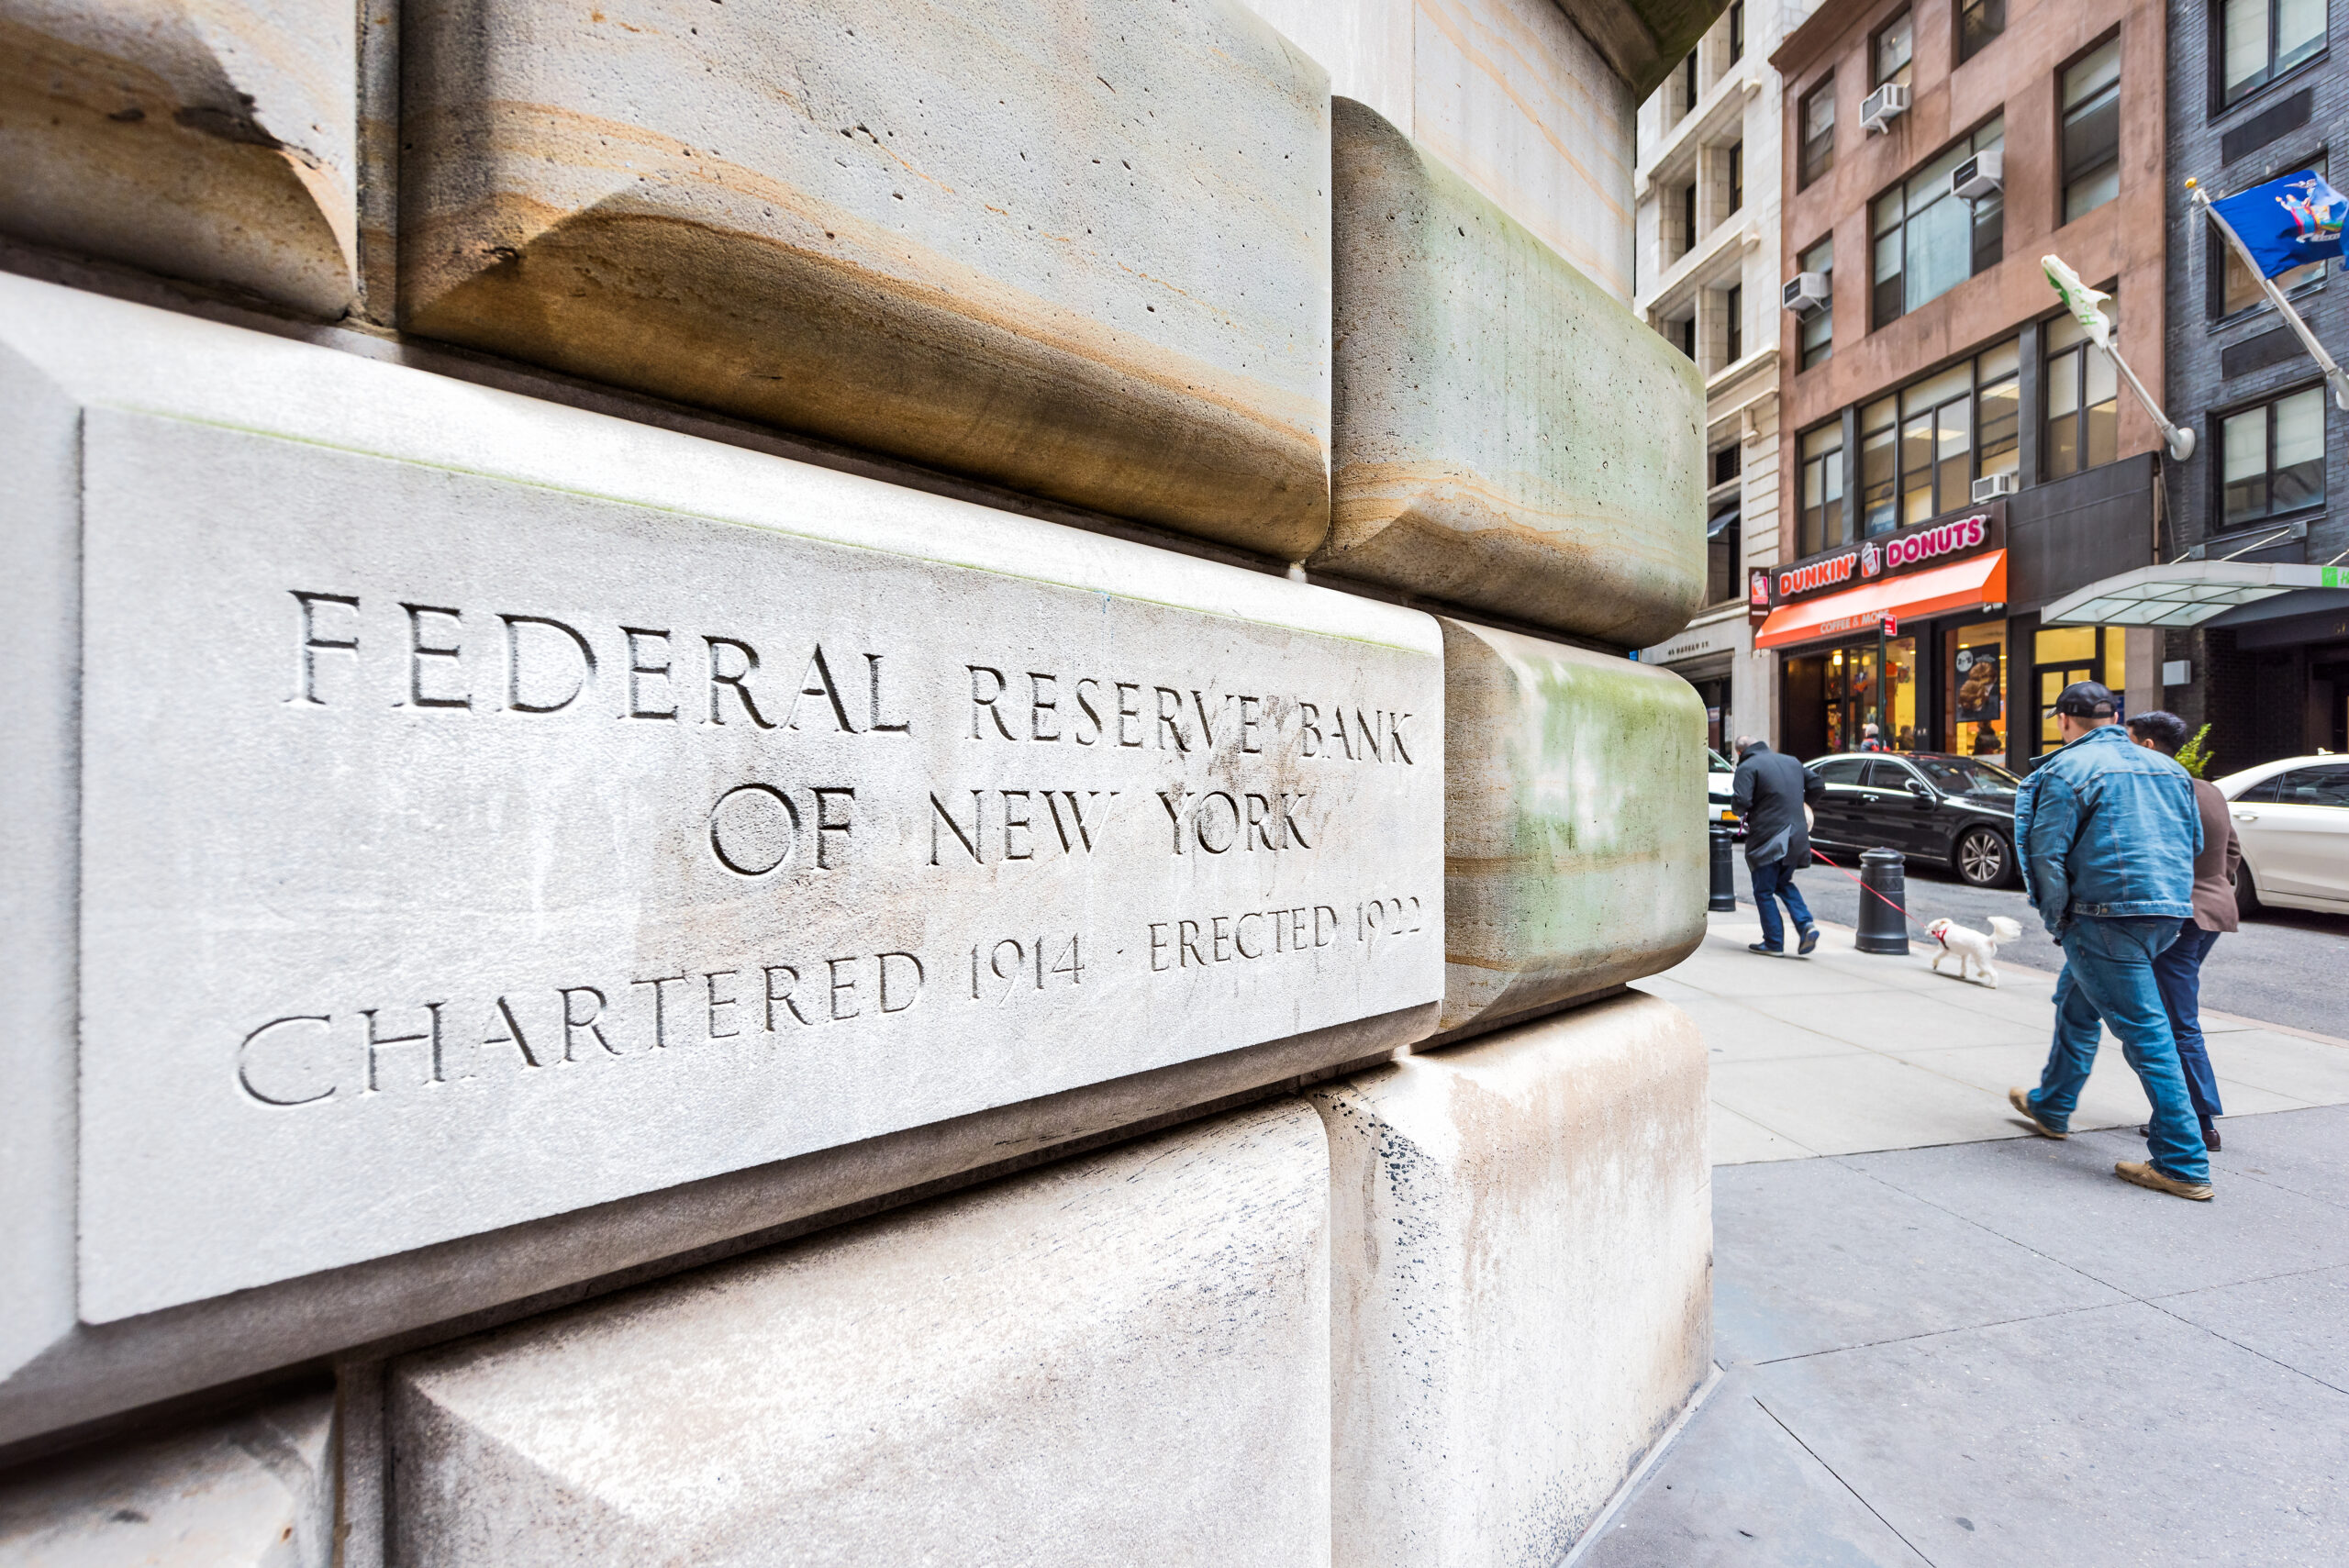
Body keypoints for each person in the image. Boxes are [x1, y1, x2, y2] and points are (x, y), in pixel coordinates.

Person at [2008, 682, 2212, 1200]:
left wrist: (2058, 922)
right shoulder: (2170, 769)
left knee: (2146, 1032)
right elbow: (2195, 843)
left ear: (2062, 720)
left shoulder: (2062, 770)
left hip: (2101, 917)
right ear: (2115, 716)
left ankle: (2183, 1162)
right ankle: (2052, 1104)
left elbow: (2045, 859)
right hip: (2165, 912)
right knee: (2076, 1002)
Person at [2127, 709, 2240, 1151]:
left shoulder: (2159, 790)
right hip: (2211, 912)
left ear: (2149, 746)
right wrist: (2212, 886)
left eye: (2129, 740)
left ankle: (2198, 1120)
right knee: (2168, 1014)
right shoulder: (2209, 789)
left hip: (2178, 917)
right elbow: (2231, 852)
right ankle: (2180, 1111)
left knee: (2176, 1020)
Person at [1731, 736, 1824, 958]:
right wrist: (1804, 803)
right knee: (1783, 882)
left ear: (1739, 753)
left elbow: (1740, 803)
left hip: (1769, 836)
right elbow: (1818, 785)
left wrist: (1745, 809)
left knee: (1764, 890)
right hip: (1797, 833)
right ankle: (1806, 924)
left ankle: (1773, 942)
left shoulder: (1748, 766)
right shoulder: (1791, 761)